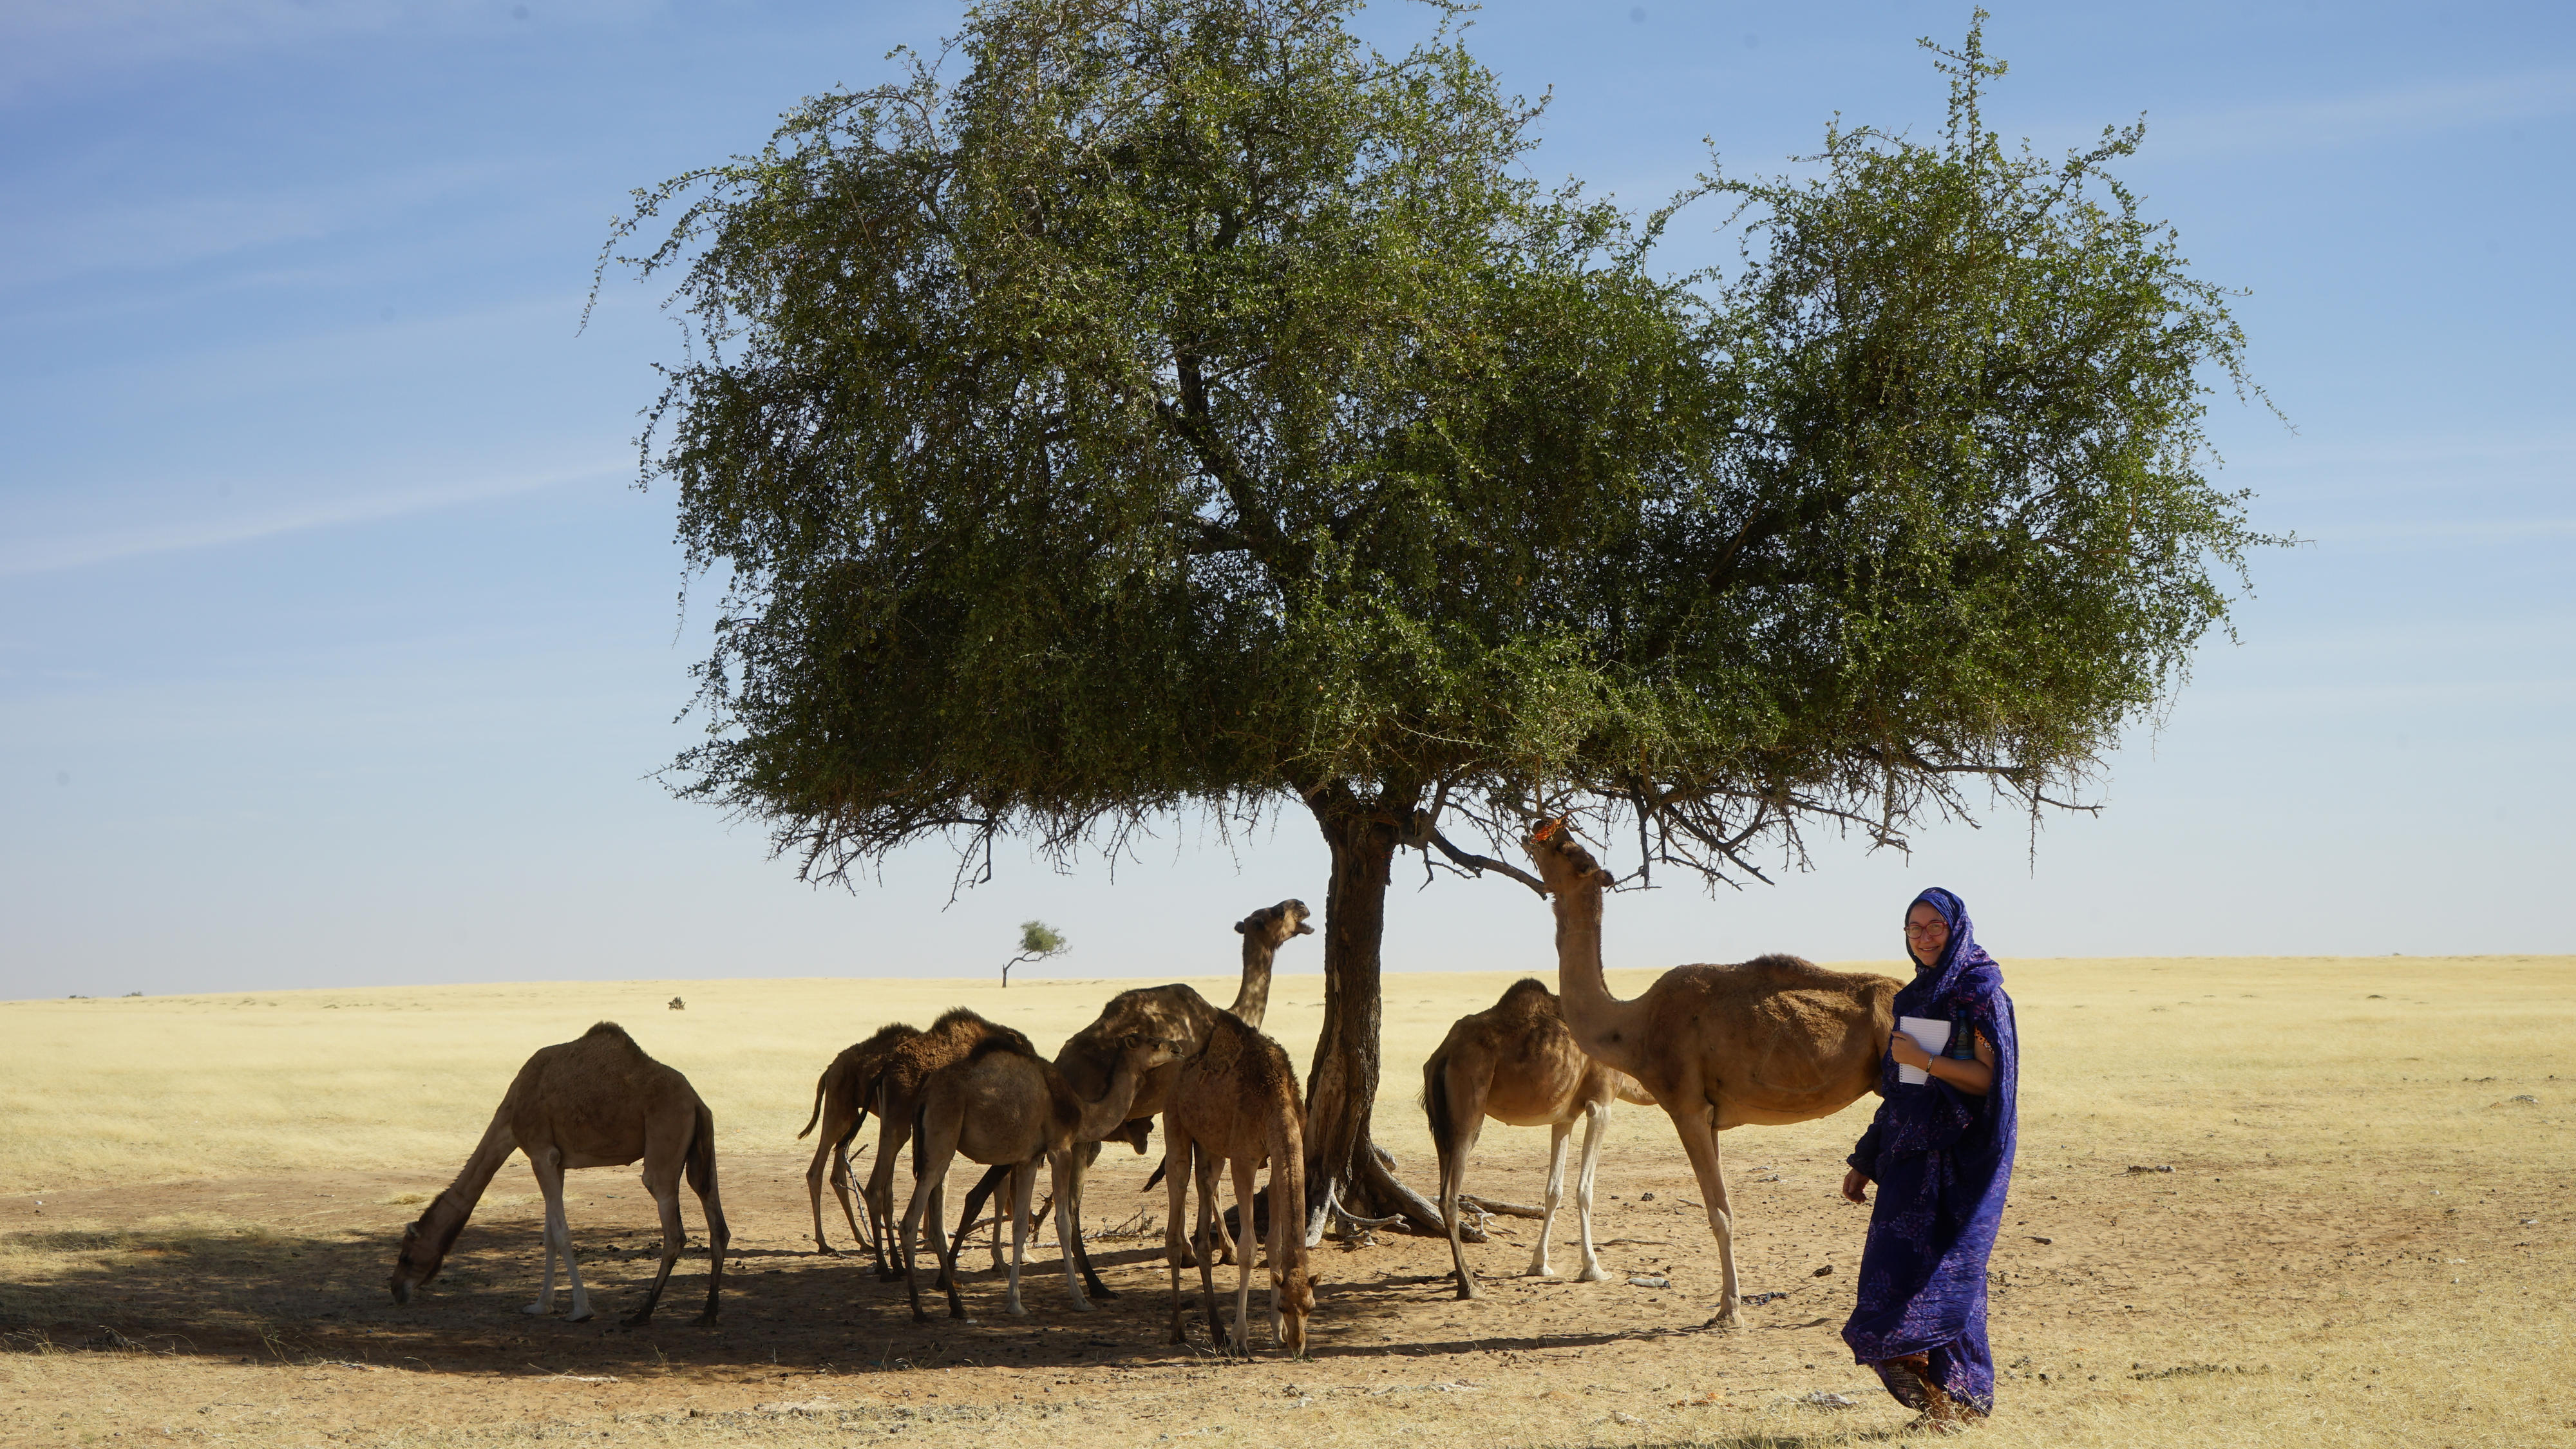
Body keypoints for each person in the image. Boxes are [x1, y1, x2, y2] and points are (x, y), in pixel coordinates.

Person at [1839, 887, 2019, 1428]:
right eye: (1913, 928)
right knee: (1889, 1280)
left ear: (1956, 928)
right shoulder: (1915, 998)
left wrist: (1926, 1059)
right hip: (1909, 1158)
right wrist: (1866, 1158)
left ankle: (1959, 1402)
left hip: (1962, 1161)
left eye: (1934, 926)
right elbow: (1904, 1091)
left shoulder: (1979, 993)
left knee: (1949, 1275)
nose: (1923, 937)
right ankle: (1937, 1406)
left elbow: (1992, 1080)